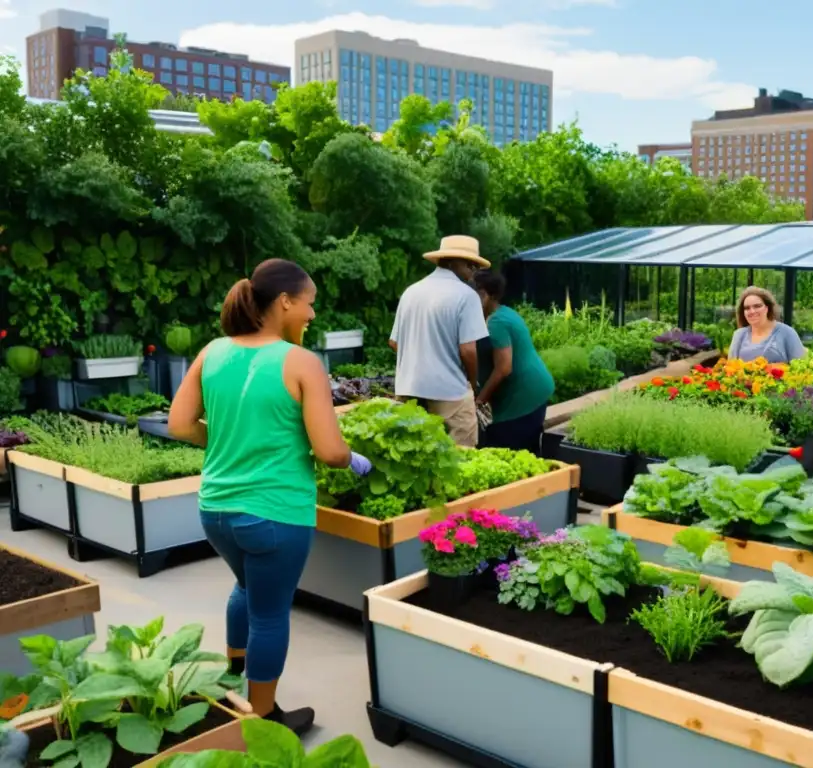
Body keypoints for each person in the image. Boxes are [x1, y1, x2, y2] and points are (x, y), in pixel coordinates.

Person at [168, 259, 372, 735]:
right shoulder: (300, 362)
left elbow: (179, 425)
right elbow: (329, 451)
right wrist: (354, 460)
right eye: (309, 304)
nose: (312, 315)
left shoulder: (212, 352)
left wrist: (229, 441)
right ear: (284, 303)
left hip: (216, 510)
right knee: (270, 611)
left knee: (245, 588)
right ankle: (261, 718)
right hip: (275, 514)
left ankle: (234, 680)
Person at [389, 235, 491, 447]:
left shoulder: (411, 292)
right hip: (449, 391)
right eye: (471, 264)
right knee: (461, 456)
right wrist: (472, 385)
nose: (474, 270)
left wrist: (418, 362)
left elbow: (394, 343)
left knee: (414, 453)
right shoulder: (466, 296)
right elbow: (468, 351)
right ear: (453, 261)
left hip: (409, 387)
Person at [472, 270, 555, 453]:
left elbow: (504, 368)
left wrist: (479, 400)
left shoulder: (497, 322)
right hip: (533, 390)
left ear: (486, 295)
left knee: (504, 447)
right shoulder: (505, 312)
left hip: (523, 395)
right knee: (526, 448)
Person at [728, 286, 806, 364]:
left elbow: (802, 367)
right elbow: (730, 368)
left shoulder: (787, 333)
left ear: (767, 308)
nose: (752, 311)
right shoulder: (739, 335)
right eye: (747, 308)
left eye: (757, 306)